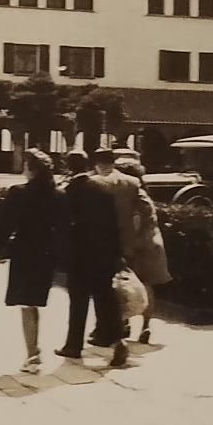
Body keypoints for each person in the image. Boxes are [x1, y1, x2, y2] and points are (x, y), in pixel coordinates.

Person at [56, 149, 127, 367]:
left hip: (80, 256)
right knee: (105, 300)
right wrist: (116, 254)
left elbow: (63, 228)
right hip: (103, 255)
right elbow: (114, 225)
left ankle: (73, 345)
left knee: (78, 303)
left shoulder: (67, 192)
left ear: (68, 167)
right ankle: (117, 342)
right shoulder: (103, 189)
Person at [0, 148, 62, 373]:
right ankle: (33, 351)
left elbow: (5, 223)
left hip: (24, 252)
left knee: (26, 304)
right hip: (46, 254)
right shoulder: (58, 194)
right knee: (34, 301)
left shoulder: (18, 192)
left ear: (30, 169)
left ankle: (33, 355)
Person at [115, 158, 171, 343]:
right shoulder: (145, 196)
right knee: (147, 286)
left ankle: (125, 323)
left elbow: (134, 224)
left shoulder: (132, 196)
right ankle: (146, 327)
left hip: (137, 247)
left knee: (128, 285)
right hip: (152, 245)